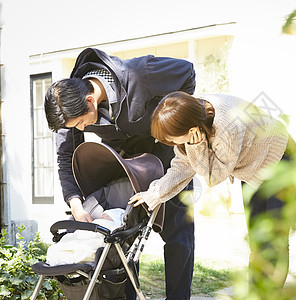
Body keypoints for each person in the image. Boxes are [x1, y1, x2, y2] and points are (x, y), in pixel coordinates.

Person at [44, 48, 196, 300]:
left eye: (82, 123)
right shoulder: (69, 104)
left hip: (168, 157)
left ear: (90, 101)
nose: (83, 128)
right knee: (123, 240)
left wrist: (171, 124)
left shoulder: (139, 74)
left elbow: (187, 72)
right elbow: (65, 156)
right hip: (127, 167)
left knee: (178, 237)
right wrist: (75, 202)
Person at [129, 91, 296, 296]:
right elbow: (181, 168)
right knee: (258, 241)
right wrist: (153, 194)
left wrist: (197, 146)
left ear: (191, 130)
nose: (171, 144)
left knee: (274, 241)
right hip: (253, 169)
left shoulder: (225, 128)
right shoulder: (192, 116)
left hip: (280, 161)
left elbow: (214, 177)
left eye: (171, 139)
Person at [46, 208, 125, 266]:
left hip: (97, 238)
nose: (102, 218)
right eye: (102, 216)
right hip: (84, 235)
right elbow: (80, 234)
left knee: (89, 245)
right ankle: (64, 251)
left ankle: (67, 254)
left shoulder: (112, 225)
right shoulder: (96, 223)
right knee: (72, 238)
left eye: (107, 216)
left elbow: (111, 230)